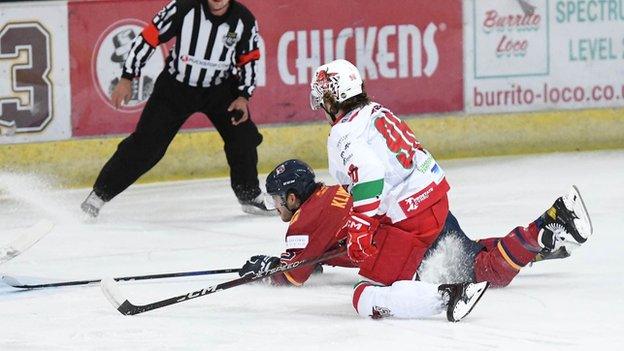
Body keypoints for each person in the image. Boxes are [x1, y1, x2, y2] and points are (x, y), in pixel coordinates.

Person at [81, 0, 275, 217]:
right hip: (175, 88)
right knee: (147, 145)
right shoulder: (184, 7)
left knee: (243, 136)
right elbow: (149, 37)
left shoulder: (244, 20)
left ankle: (249, 195)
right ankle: (99, 195)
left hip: (219, 88)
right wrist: (127, 76)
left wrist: (243, 96)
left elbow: (248, 59)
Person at [238, 159, 489, 322]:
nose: (275, 206)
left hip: (409, 246)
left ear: (292, 198)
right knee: (479, 253)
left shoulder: (304, 220)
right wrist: (310, 257)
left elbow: (291, 276)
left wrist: (267, 270)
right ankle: (525, 247)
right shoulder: (333, 191)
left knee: (485, 267)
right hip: (422, 215)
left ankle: (528, 239)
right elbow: (330, 234)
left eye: (276, 199)